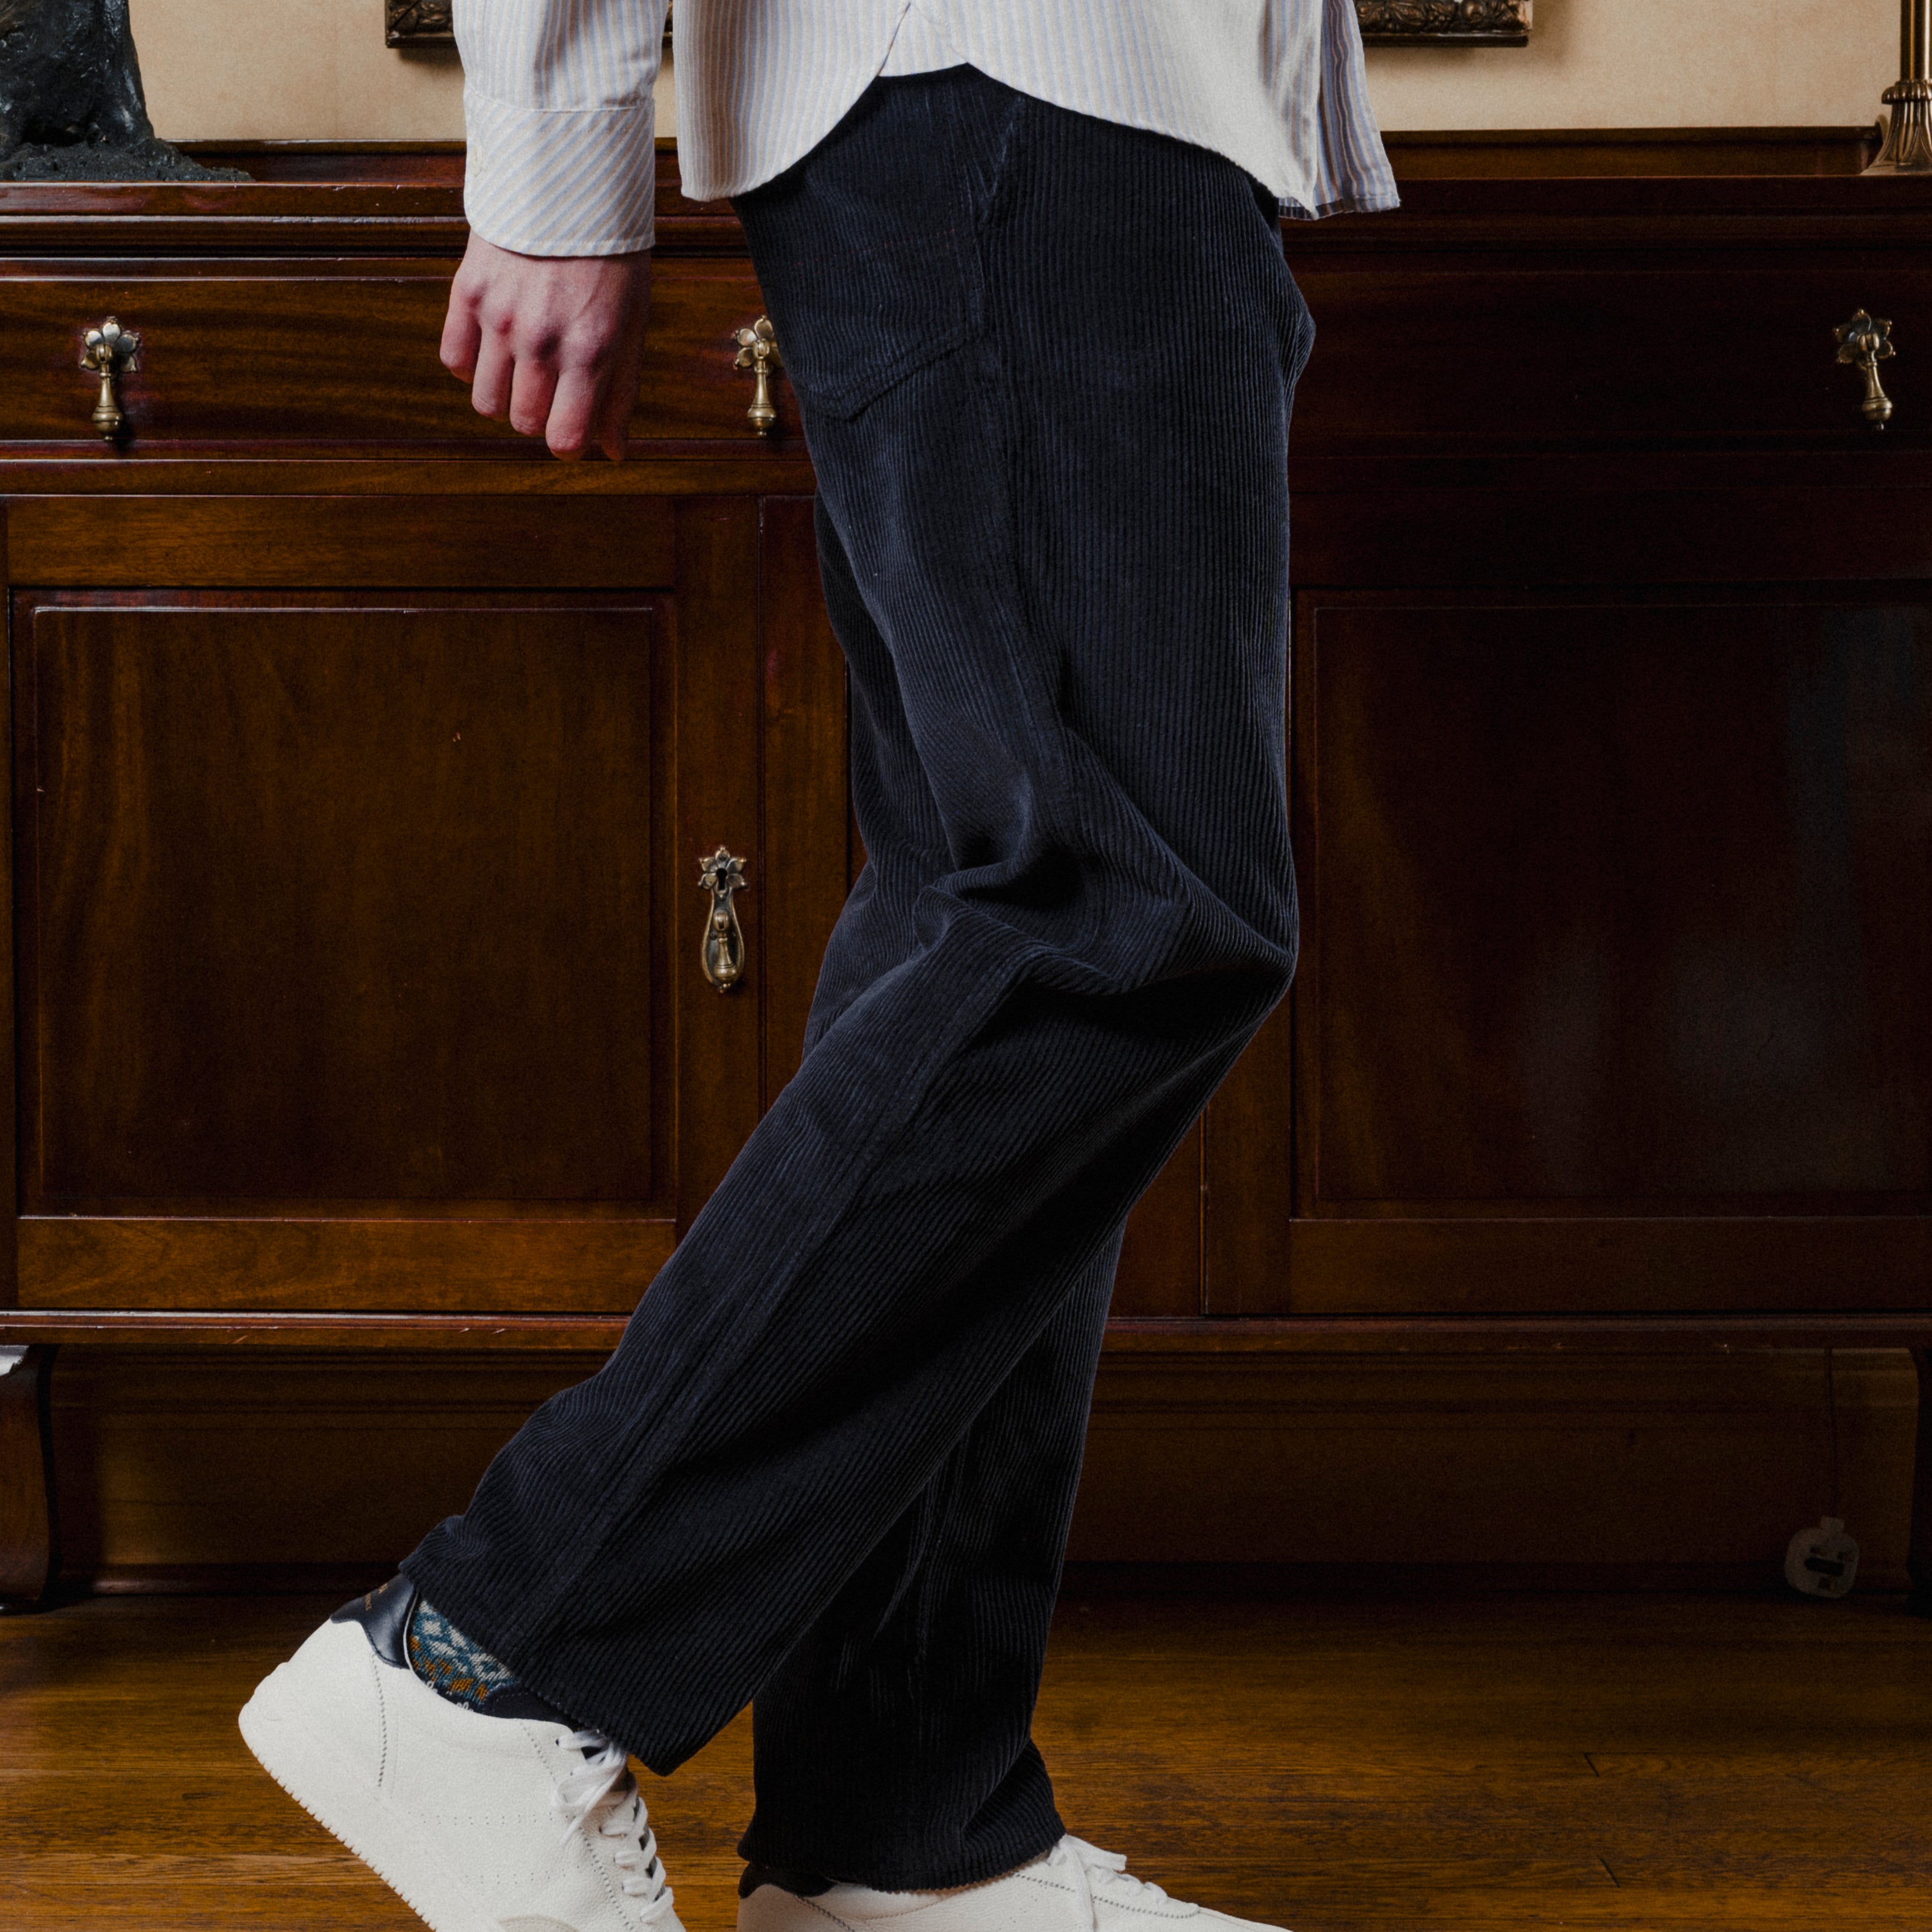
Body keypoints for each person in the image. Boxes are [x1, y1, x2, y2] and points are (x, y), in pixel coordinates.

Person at [238, 7, 1396, 1931]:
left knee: (987, 899)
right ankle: (477, 1659)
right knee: (1110, 911)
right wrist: (552, 159)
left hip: (1068, 99)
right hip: (1001, 74)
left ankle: (904, 1831)